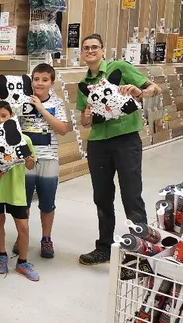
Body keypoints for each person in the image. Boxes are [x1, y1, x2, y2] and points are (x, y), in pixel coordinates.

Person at [76, 34, 161, 265]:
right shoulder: (83, 84)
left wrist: (139, 92)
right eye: (86, 48)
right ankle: (104, 247)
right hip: (98, 144)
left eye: (94, 47)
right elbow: (84, 121)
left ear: (103, 50)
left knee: (131, 195)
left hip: (126, 140)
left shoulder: (120, 67)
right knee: (102, 197)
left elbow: (155, 88)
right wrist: (85, 116)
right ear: (81, 53)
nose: (90, 51)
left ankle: (140, 252)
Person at [0, 101, 39, 281]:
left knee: (23, 226)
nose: (0, 120)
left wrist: (28, 159)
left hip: (16, 190)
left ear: (12, 115)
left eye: (4, 116)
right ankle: (2, 255)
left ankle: (22, 261)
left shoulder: (25, 139)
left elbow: (31, 165)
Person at [20, 63, 68, 258]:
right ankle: (21, 236)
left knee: (47, 202)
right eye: (36, 79)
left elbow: (62, 129)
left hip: (48, 158)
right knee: (22, 202)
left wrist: (41, 108)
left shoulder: (57, 103)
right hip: (25, 159)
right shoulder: (22, 100)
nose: (39, 83)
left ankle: (46, 238)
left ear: (52, 82)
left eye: (44, 80)